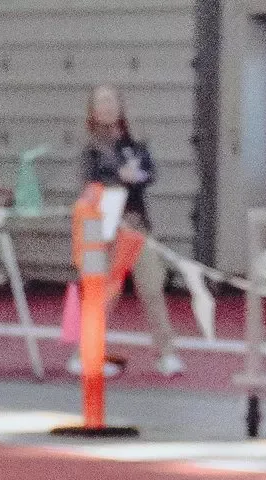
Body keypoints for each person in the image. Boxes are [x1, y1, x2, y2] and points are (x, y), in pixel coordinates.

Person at [80, 83, 182, 376]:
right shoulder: (90, 150)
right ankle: (87, 354)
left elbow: (149, 173)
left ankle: (166, 353)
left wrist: (136, 175)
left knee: (152, 288)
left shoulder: (135, 144)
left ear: (121, 107)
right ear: (93, 111)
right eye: (101, 102)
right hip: (101, 230)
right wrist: (116, 177)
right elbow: (88, 184)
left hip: (136, 227)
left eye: (112, 101)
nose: (107, 106)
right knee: (103, 295)